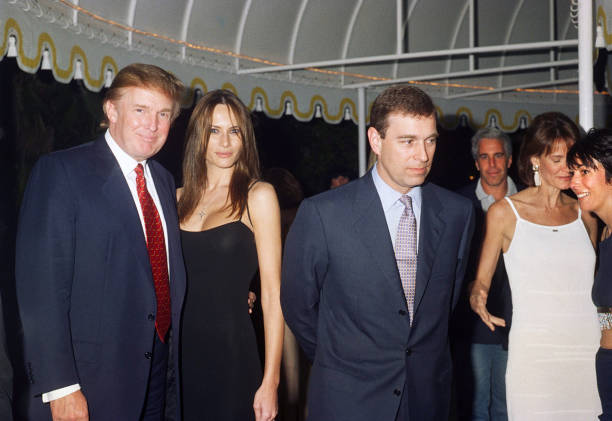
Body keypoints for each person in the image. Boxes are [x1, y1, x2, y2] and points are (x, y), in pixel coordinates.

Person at [281, 85, 475, 421]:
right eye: (408, 141)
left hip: (428, 398)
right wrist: (341, 359)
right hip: (349, 399)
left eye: (430, 140)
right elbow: (298, 305)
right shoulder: (324, 214)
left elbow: (448, 303)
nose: (423, 155)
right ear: (375, 140)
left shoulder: (458, 212)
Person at [15, 63, 187, 420]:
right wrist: (61, 386)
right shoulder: (62, 172)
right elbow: (41, 287)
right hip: (90, 383)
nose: (152, 124)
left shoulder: (164, 181)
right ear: (111, 110)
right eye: (140, 110)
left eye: (163, 114)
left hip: (157, 374)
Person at [470, 112, 601, 420]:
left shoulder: (586, 213)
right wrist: (477, 298)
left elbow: (598, 288)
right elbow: (481, 282)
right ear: (535, 161)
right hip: (533, 355)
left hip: (585, 349)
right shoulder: (504, 213)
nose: (567, 167)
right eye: (557, 159)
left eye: (572, 158)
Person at [178, 89, 283, 421]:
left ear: (245, 138)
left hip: (232, 353)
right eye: (214, 130)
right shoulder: (173, 198)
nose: (225, 141)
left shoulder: (258, 196)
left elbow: (273, 295)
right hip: (177, 358)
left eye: (234, 130)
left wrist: (271, 381)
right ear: (199, 136)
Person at [453, 128, 517, 421]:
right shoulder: (458, 204)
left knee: (509, 408)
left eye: (498, 155)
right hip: (473, 327)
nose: (492, 164)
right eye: (484, 157)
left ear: (509, 159)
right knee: (475, 408)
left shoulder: (530, 201)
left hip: (518, 325)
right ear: (476, 162)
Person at [568, 128, 612, 420]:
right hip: (606, 361)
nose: (574, 182)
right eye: (573, 172)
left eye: (585, 171)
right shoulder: (605, 233)